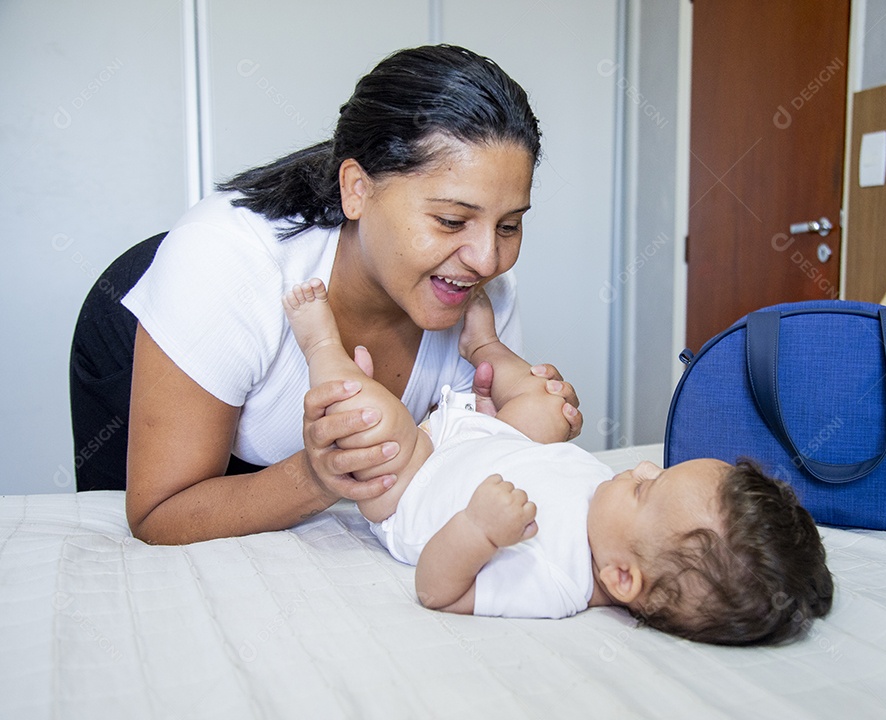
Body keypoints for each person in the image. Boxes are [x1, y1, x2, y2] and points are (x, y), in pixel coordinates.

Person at [114, 45, 581, 544]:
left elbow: (441, 488)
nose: (487, 261)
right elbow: (157, 515)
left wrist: (499, 441)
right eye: (451, 221)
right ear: (356, 189)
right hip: (162, 382)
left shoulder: (484, 293)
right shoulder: (225, 260)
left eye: (509, 226)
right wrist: (318, 478)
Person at [283, 279, 834, 645]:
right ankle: (482, 346)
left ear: (622, 577)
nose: (641, 469)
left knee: (372, 424)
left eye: (646, 490)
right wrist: (497, 426)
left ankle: (321, 347)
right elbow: (541, 458)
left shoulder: (556, 579)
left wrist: (478, 529)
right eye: (657, 470)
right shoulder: (608, 514)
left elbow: (436, 589)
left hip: (411, 482)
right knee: (546, 408)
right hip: (480, 438)